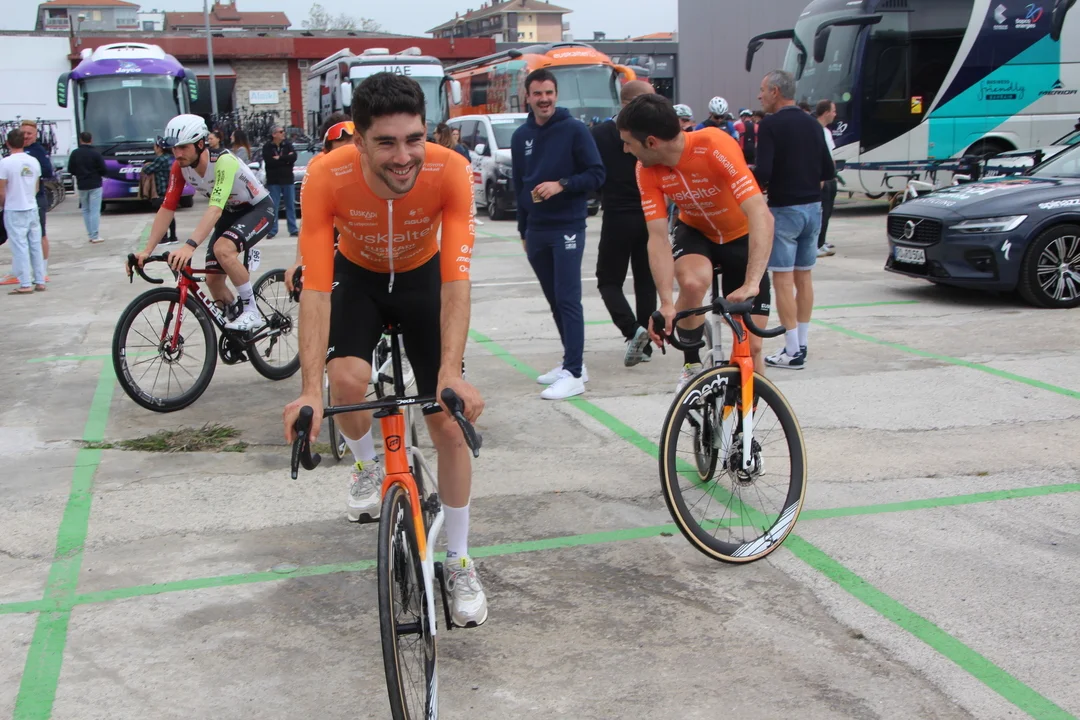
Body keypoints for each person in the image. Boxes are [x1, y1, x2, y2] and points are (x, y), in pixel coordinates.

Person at [283, 72, 488, 628]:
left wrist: (450, 372)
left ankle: (459, 559)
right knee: (347, 381)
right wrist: (308, 391)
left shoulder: (450, 169)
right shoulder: (326, 175)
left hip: (424, 278)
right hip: (359, 279)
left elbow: (456, 281)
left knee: (447, 422)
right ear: (359, 141)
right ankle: (366, 465)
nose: (404, 157)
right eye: (387, 142)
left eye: (414, 139)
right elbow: (316, 290)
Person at [616, 94, 775, 390]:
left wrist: (752, 282)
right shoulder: (645, 169)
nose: (625, 150)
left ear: (651, 142)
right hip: (696, 232)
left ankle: (749, 412)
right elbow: (658, 237)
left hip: (740, 236)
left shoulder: (714, 145)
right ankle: (691, 364)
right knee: (691, 283)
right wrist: (666, 303)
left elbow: (761, 215)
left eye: (628, 143)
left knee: (752, 348)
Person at [130, 114, 275, 333]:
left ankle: (252, 311)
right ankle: (239, 333)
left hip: (257, 209)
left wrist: (189, 246)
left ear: (200, 144)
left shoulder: (223, 162)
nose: (177, 153)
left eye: (183, 147)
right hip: (229, 213)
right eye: (174, 148)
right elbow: (167, 208)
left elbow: (214, 209)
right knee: (213, 281)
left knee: (223, 249)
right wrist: (147, 250)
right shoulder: (180, 168)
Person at [511, 68, 606, 400]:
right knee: (554, 299)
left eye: (549, 93)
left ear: (556, 95)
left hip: (567, 225)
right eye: (537, 93)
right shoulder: (521, 136)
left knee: (568, 299)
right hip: (536, 229)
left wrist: (562, 184)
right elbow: (519, 186)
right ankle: (572, 361)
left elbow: (597, 174)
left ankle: (575, 374)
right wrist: (523, 229)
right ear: (528, 97)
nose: (544, 99)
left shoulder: (575, 130)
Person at [754, 71, 836, 369]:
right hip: (813, 207)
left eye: (763, 89)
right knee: (804, 277)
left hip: (785, 208)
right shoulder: (813, 124)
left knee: (782, 279)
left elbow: (764, 172)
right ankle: (802, 342)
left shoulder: (770, 125)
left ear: (775, 91)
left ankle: (791, 350)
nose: (760, 96)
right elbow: (828, 170)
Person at [591, 79, 658, 367]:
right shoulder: (654, 134)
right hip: (647, 215)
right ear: (628, 103)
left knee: (609, 280)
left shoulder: (601, 134)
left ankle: (633, 330)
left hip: (620, 215)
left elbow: (593, 173)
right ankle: (645, 342)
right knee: (645, 281)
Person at [284, 111, 355, 295]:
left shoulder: (370, 163)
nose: (349, 156)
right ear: (327, 151)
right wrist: (299, 262)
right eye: (341, 151)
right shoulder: (318, 170)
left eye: (353, 146)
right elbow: (309, 222)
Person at [0, 128, 45, 294]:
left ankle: (25, 282)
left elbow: (1, 189)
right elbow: (36, 186)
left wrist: (4, 204)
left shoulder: (5, 163)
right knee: (35, 244)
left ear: (7, 143)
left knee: (19, 246)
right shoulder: (33, 161)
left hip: (14, 207)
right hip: (31, 206)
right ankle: (40, 280)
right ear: (23, 142)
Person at [21, 121, 53, 282]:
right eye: (23, 133)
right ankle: (25, 269)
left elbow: (48, 171)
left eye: (29, 133)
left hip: (37, 198)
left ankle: (43, 270)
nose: (26, 136)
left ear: (35, 135)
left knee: (40, 234)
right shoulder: (17, 150)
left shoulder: (37, 151)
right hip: (21, 200)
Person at [436, 123, 483, 224]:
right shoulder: (442, 147)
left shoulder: (458, 148)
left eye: (457, 134)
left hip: (457, 177)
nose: (455, 136)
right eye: (454, 134)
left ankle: (471, 216)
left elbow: (466, 161)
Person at [66, 131, 107, 244]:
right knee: (95, 210)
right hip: (95, 184)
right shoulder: (96, 153)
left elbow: (70, 169)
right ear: (91, 140)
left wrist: (79, 174)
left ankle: (90, 234)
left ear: (80, 140)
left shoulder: (75, 153)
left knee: (85, 209)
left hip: (82, 184)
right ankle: (95, 235)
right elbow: (104, 169)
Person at [261, 125, 299, 238]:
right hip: (274, 181)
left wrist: (280, 158)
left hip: (288, 179)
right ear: (274, 134)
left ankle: (293, 229)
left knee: (290, 205)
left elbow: (293, 158)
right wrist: (286, 160)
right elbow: (269, 162)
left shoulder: (288, 145)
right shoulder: (267, 147)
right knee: (274, 206)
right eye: (281, 132)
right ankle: (272, 230)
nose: (283, 133)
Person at [141, 141, 179, 244]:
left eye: (155, 146)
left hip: (162, 190)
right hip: (171, 189)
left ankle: (164, 238)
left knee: (162, 215)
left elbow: (147, 170)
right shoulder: (171, 158)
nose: (154, 148)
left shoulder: (160, 159)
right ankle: (173, 237)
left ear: (159, 148)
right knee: (170, 214)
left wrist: (146, 164)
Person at [815, 99, 838, 258]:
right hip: (821, 178)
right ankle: (816, 244)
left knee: (827, 211)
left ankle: (821, 241)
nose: (835, 114)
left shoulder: (827, 131)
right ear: (826, 112)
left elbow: (831, 156)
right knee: (821, 212)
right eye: (833, 111)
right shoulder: (816, 130)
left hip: (830, 177)